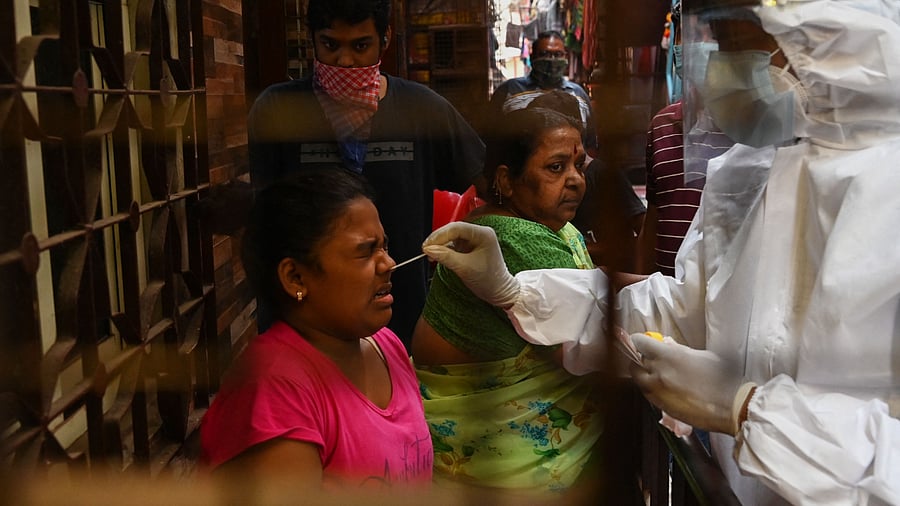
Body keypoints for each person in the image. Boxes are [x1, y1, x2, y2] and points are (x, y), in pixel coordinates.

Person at [420, 0, 900, 504]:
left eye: (736, 44)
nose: (721, 68)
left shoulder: (883, 191)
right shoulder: (755, 172)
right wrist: (519, 292)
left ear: (820, 40)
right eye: (717, 44)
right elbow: (681, 309)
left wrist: (747, 410)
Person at [247, 0, 486, 350]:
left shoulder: (422, 110)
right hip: (303, 329)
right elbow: (264, 218)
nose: (345, 61)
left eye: (360, 46)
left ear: (385, 39)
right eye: (330, 45)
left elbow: (489, 183)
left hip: (399, 326)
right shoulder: (277, 111)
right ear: (312, 39)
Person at [411, 102, 604, 496]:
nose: (576, 180)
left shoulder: (548, 225)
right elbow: (590, 346)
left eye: (579, 166)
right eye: (555, 168)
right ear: (507, 180)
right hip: (508, 469)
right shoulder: (514, 236)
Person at [200, 169, 433, 492]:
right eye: (366, 251)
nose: (388, 263)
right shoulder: (275, 393)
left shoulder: (385, 345)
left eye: (384, 246)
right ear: (295, 278)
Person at [487, 30, 599, 157]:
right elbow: (491, 140)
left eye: (558, 54)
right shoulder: (509, 91)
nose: (552, 60)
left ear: (565, 57)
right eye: (545, 54)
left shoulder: (579, 94)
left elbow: (590, 144)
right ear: (532, 57)